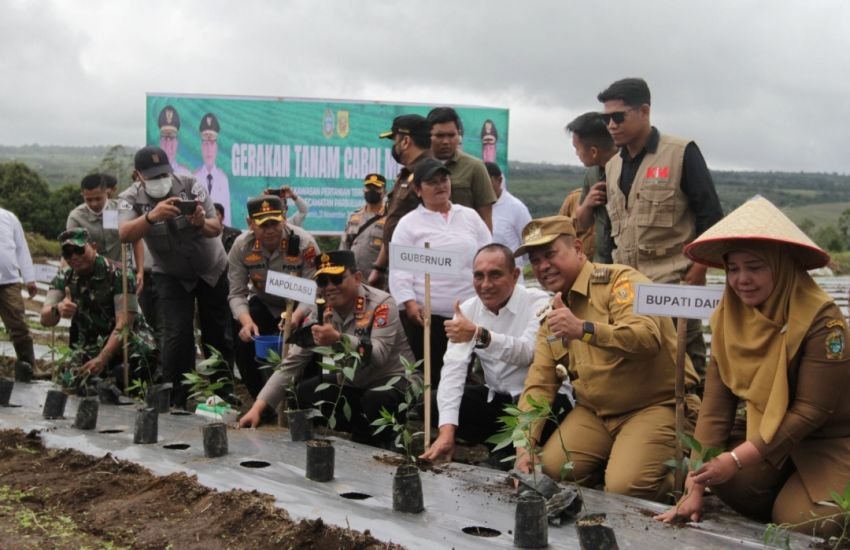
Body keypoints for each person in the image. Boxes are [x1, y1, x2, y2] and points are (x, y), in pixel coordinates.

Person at [656, 196, 850, 539]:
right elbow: (716, 407)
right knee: (715, 475)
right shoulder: (729, 315)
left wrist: (737, 459)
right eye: (733, 268)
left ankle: (798, 492)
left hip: (828, 438)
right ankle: (786, 486)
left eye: (755, 267)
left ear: (781, 265)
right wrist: (694, 489)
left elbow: (811, 410)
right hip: (766, 429)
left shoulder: (823, 320)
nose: (742, 279)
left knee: (805, 522)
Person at [513, 215, 699, 502]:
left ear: (578, 248)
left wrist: (583, 329)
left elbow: (647, 337)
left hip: (654, 405)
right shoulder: (552, 314)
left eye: (550, 254)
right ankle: (622, 460)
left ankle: (691, 474)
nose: (543, 267)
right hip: (596, 413)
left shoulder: (620, 282)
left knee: (626, 488)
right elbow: (539, 385)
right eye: (535, 261)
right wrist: (524, 446)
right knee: (551, 471)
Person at [598, 78, 723, 379]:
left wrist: (700, 267)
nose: (611, 125)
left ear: (644, 111)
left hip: (674, 282)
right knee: (636, 365)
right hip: (627, 285)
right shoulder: (613, 165)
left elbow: (711, 214)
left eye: (618, 116)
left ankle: (693, 423)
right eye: (606, 119)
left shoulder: (681, 152)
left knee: (686, 366)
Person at [238, 250, 411, 447]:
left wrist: (338, 339)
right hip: (351, 383)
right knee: (302, 394)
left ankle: (385, 449)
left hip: (391, 381)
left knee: (376, 400)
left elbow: (379, 355)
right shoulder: (320, 309)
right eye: (322, 282)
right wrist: (258, 407)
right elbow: (293, 362)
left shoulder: (381, 304)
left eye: (337, 279)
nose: (329, 287)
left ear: (357, 278)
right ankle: (318, 448)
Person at [420, 243, 563, 464]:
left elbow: (527, 352)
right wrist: (447, 432)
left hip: (540, 401)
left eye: (495, 275)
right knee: (434, 404)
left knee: (502, 462)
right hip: (499, 399)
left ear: (515, 275)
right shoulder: (468, 309)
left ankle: (511, 451)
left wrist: (480, 335)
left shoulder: (540, 302)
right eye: (479, 276)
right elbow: (453, 370)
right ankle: (492, 445)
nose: (486, 285)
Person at [118, 145, 232, 409]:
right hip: (170, 273)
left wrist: (200, 222)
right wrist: (151, 216)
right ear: (138, 175)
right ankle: (176, 397)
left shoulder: (191, 186)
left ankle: (224, 396)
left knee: (217, 334)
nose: (160, 181)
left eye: (163, 174)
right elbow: (124, 233)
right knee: (176, 335)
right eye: (153, 177)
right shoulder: (130, 198)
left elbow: (216, 228)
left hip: (210, 270)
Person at [389, 158, 491, 387]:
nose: (440, 186)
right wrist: (409, 302)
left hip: (468, 311)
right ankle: (432, 418)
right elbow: (399, 269)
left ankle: (459, 418)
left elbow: (488, 253)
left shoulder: (469, 216)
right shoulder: (408, 224)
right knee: (433, 374)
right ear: (418, 190)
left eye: (444, 179)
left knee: (462, 370)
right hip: (427, 316)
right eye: (432, 182)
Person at [228, 195, 319, 400]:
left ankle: (305, 403)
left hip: (299, 305)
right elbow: (236, 293)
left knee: (310, 338)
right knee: (243, 339)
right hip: (265, 303)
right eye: (263, 224)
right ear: (250, 224)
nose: (270, 230)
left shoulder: (305, 244)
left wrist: (296, 316)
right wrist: (246, 322)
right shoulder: (241, 247)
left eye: (274, 223)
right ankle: (260, 401)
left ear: (284, 218)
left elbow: (312, 290)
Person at [40, 229, 157, 387]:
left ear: (93, 247)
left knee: (136, 368)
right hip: (90, 344)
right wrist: (58, 309)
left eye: (79, 250)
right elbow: (45, 319)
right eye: (68, 253)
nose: (74, 257)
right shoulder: (64, 277)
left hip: (127, 343)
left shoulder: (120, 275)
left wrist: (103, 358)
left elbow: (124, 325)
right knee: (73, 382)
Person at [368, 114, 433, 289]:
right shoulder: (407, 175)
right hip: (398, 267)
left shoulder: (429, 174)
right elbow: (393, 222)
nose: (393, 146)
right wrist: (379, 267)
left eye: (394, 140)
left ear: (405, 141)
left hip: (416, 274)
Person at [559, 112, 617, 263]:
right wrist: (588, 204)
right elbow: (584, 222)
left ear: (593, 152)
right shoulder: (592, 174)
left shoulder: (628, 168)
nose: (576, 154)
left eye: (577, 148)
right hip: (602, 262)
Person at [427, 107, 496, 232]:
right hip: (425, 247)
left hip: (464, 246)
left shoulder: (475, 167)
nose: (446, 141)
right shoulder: (419, 167)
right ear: (428, 136)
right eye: (440, 135)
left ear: (459, 135)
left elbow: (486, 219)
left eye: (451, 135)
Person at [67, 173, 145, 278]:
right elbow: (72, 252)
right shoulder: (75, 218)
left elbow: (137, 239)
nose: (94, 204)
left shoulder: (122, 209)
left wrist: (140, 271)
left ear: (106, 193)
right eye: (89, 200)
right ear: (82, 195)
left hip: (121, 275)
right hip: (90, 276)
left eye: (98, 199)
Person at [0, 206, 37, 368]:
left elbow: (21, 248)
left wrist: (29, 278)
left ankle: (28, 366)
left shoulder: (8, 217)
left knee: (18, 324)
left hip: (9, 281)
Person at [486, 161, 531, 273]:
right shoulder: (472, 208)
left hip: (511, 276)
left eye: (485, 181)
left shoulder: (516, 208)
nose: (481, 186)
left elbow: (530, 245)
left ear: (499, 180)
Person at [340, 173, 387, 276]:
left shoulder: (390, 218)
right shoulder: (353, 216)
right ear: (363, 190)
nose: (371, 190)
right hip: (353, 278)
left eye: (376, 187)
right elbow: (344, 246)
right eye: (368, 187)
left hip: (377, 279)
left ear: (384, 192)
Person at [193, 113, 231, 225]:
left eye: (212, 144)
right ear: (201, 147)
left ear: (217, 147)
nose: (209, 149)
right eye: (205, 144)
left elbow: (227, 218)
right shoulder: (194, 178)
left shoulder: (223, 179)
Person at [157, 105, 192, 176]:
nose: (168, 146)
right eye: (165, 139)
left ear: (177, 143)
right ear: (160, 143)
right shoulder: (153, 174)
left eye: (172, 139)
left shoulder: (186, 174)